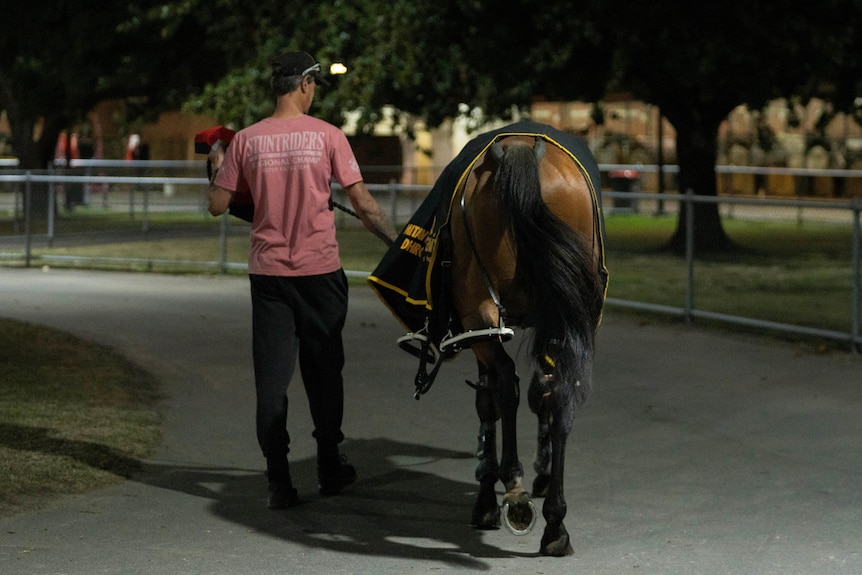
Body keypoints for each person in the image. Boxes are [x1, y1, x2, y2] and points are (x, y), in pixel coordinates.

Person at [207, 51, 398, 509]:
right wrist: (401, 245)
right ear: (306, 85)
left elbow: (217, 204)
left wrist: (217, 163)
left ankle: (279, 481)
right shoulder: (328, 137)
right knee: (324, 374)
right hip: (321, 275)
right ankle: (330, 466)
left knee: (272, 383)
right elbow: (365, 206)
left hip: (270, 277)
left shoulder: (247, 141)